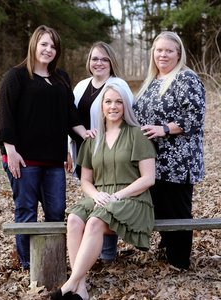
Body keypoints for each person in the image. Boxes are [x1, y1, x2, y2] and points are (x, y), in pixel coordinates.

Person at [0, 25, 94, 270]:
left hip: (53, 160)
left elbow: (70, 113)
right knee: (26, 209)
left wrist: (84, 132)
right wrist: (10, 149)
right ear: (34, 45)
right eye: (44, 44)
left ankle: (53, 260)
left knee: (57, 210)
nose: (49, 49)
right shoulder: (16, 76)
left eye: (53, 46)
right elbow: (5, 114)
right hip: (23, 158)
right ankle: (29, 263)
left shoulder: (61, 78)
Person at [49, 83, 156, 300]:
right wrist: (96, 195)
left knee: (95, 221)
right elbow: (86, 181)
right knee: (74, 220)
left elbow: (148, 178)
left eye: (118, 102)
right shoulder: (92, 139)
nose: (113, 106)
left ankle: (68, 285)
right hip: (101, 195)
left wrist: (118, 195)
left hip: (132, 198)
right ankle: (81, 288)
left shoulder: (137, 134)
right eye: (108, 102)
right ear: (101, 107)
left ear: (125, 106)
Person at [133, 31, 206, 270]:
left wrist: (164, 129)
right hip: (153, 160)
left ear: (178, 54)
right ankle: (166, 250)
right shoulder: (152, 81)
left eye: (168, 51)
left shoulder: (186, 79)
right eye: (158, 50)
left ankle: (180, 261)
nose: (162, 55)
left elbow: (194, 118)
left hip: (178, 160)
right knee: (161, 207)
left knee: (177, 210)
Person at [69, 41, 134, 263]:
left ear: (111, 62)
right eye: (95, 58)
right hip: (84, 152)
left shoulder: (119, 85)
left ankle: (107, 254)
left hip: (110, 153)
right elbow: (71, 119)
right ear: (89, 62)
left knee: (107, 195)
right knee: (93, 197)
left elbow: (128, 119)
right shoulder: (81, 86)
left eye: (104, 59)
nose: (99, 63)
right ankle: (90, 253)